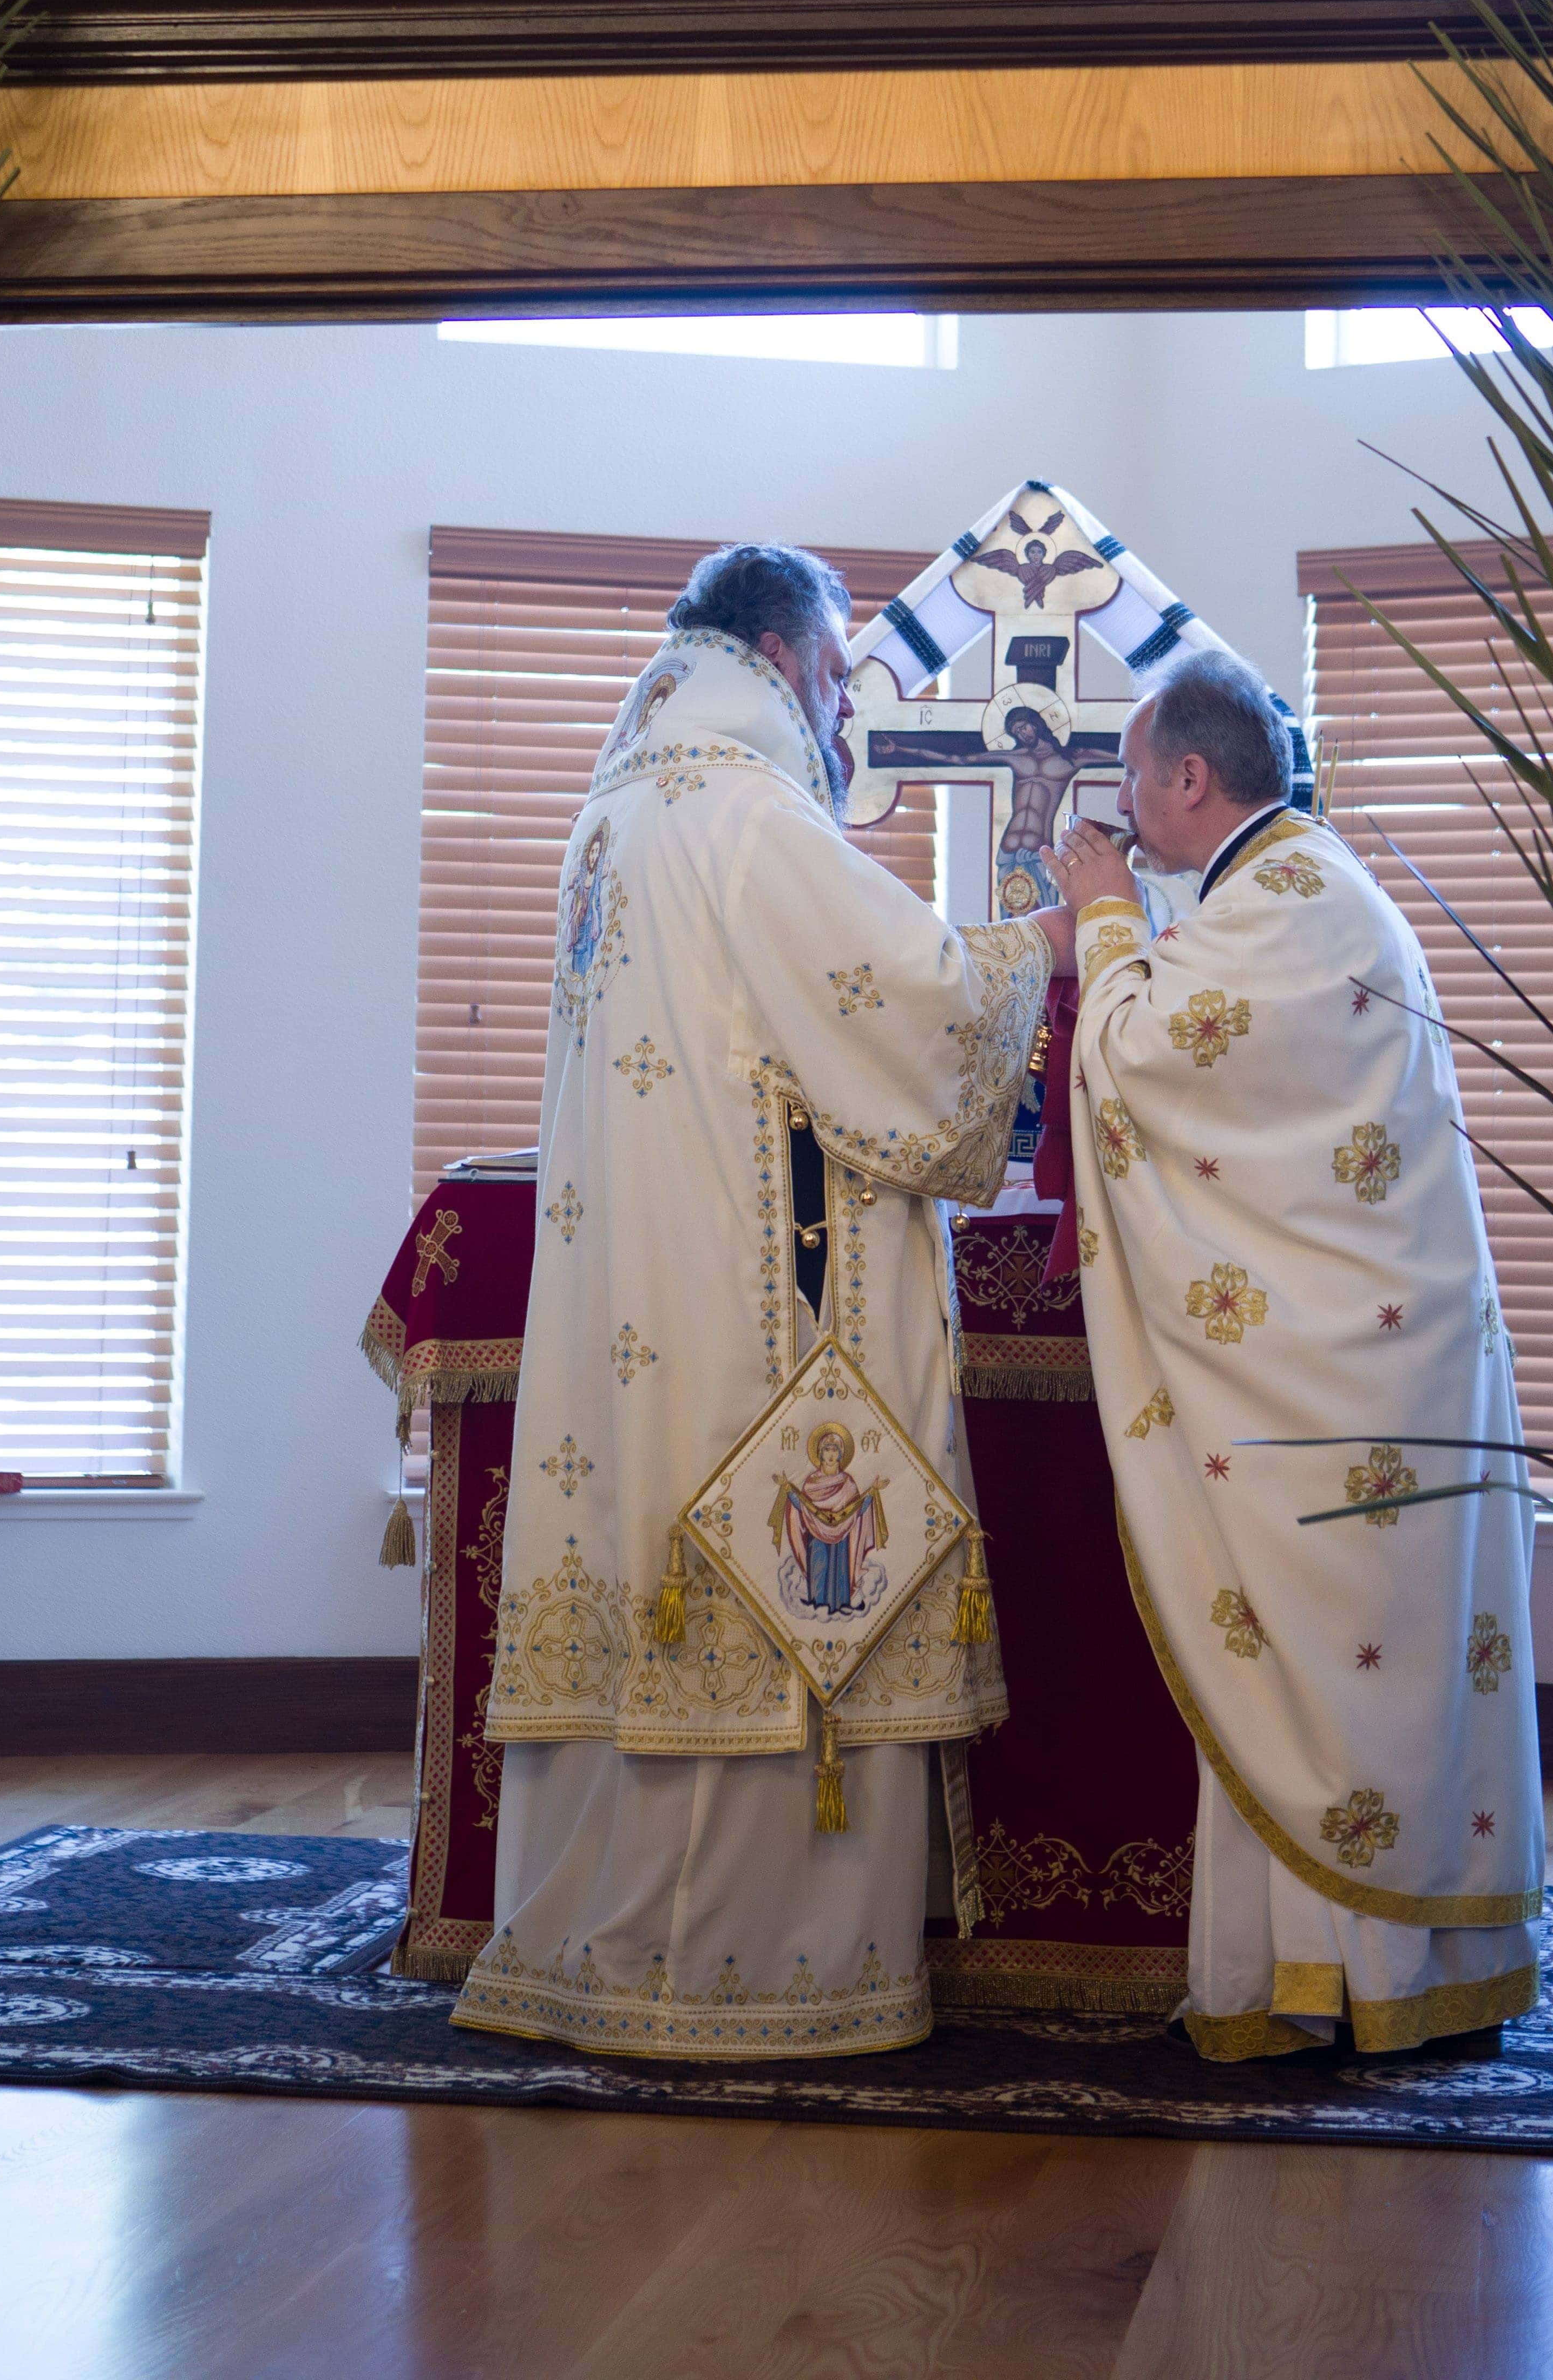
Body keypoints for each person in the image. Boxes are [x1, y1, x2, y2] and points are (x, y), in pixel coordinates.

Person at [455, 543, 1064, 2064]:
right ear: (788, 657)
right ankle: (759, 1971)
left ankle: (588, 1957)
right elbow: (906, 1006)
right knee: (771, 1566)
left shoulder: (615, 809)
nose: (848, 707)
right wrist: (1043, 949)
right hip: (751, 1321)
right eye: (842, 672)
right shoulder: (744, 809)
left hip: (639, 1314)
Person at [1043, 646, 1543, 2062]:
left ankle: (1350, 1980)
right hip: (1378, 1357)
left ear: (1191, 778)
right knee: (1366, 1665)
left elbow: (1141, 1056)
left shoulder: (1282, 906)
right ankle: (1366, 1970)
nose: (1123, 802)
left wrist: (1104, 914)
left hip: (1350, 1382)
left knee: (1337, 1667)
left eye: (1133, 775)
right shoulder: (1298, 891)